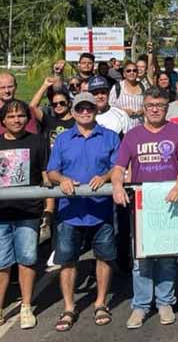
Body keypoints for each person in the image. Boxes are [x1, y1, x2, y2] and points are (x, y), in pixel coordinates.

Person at [111, 87, 178, 328]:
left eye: (160, 106)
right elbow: (118, 168)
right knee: (142, 259)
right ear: (143, 108)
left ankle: (165, 301)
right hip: (142, 206)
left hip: (169, 204)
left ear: (167, 107)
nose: (155, 110)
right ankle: (141, 305)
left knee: (167, 257)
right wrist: (116, 186)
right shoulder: (133, 136)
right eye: (150, 106)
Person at [47, 92, 120, 330]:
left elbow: (118, 166)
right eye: (80, 109)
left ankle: (100, 302)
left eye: (89, 108)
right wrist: (62, 179)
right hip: (70, 211)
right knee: (67, 260)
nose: (85, 112)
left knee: (104, 257)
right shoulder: (63, 139)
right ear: (74, 112)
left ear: (96, 110)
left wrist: (106, 176)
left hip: (101, 209)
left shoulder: (110, 137)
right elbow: (52, 171)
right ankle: (69, 307)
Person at [0, 100, 51, 334]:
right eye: (11, 117)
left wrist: (49, 209)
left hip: (28, 212)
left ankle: (26, 306)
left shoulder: (38, 141)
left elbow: (46, 177)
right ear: (2, 121)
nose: (16, 120)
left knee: (27, 260)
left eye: (21, 116)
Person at [0, 72, 40, 145]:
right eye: (2, 88)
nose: (7, 91)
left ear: (15, 87)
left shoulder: (26, 110)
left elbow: (31, 137)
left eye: (10, 87)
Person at [110, 61, 147, 130]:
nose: (131, 73)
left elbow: (148, 104)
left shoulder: (144, 86)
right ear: (124, 74)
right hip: (121, 129)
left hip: (139, 128)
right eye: (128, 71)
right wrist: (123, 112)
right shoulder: (117, 87)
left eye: (134, 70)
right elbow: (110, 106)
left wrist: (143, 110)